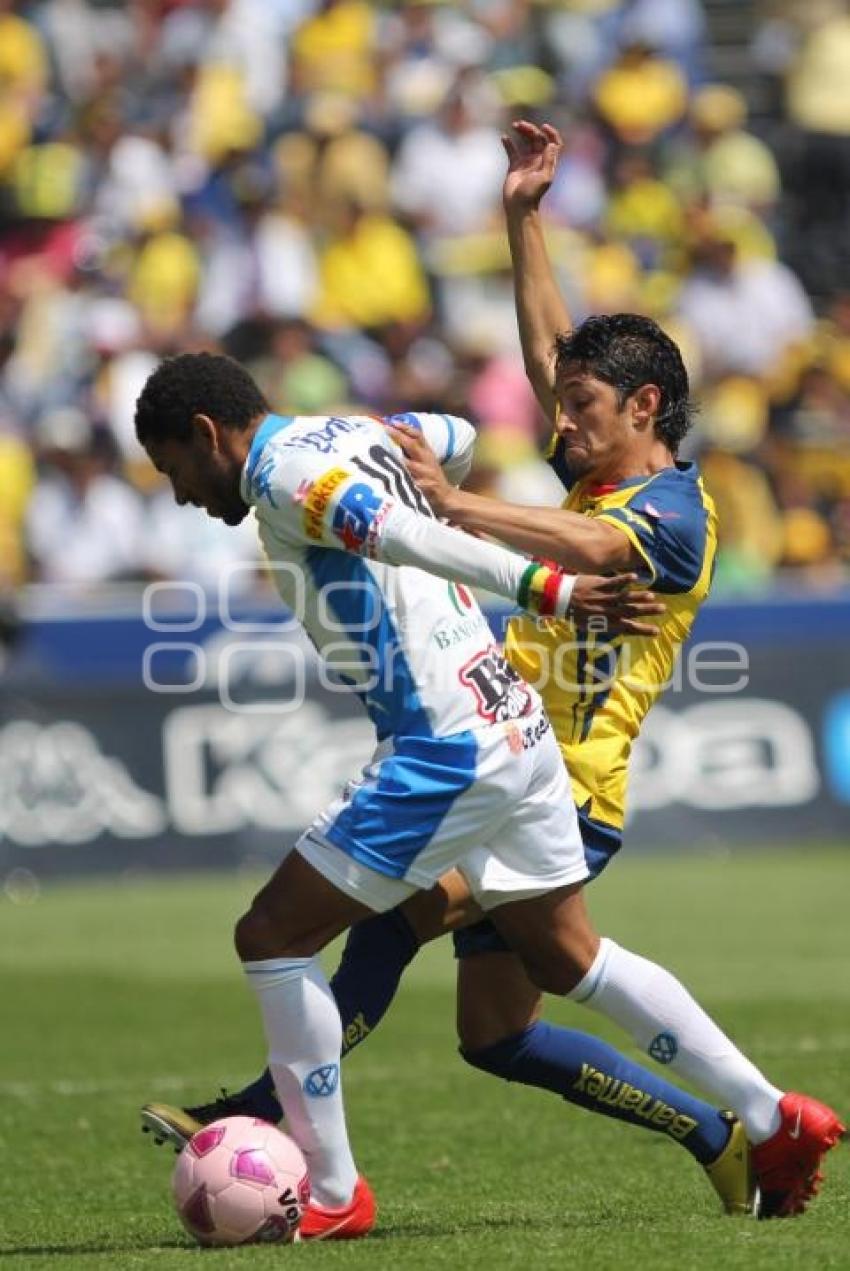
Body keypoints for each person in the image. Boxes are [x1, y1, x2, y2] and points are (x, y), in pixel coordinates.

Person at [139, 127, 844, 1225]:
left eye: (584, 410)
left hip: (567, 772)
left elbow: (597, 557)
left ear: (645, 411)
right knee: (506, 1024)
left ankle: (279, 1122)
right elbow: (551, 349)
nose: (561, 421)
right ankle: (746, 1121)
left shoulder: (670, 512)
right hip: (519, 744)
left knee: (357, 922)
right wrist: (522, 217)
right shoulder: (600, 454)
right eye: (563, 407)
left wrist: (450, 507)